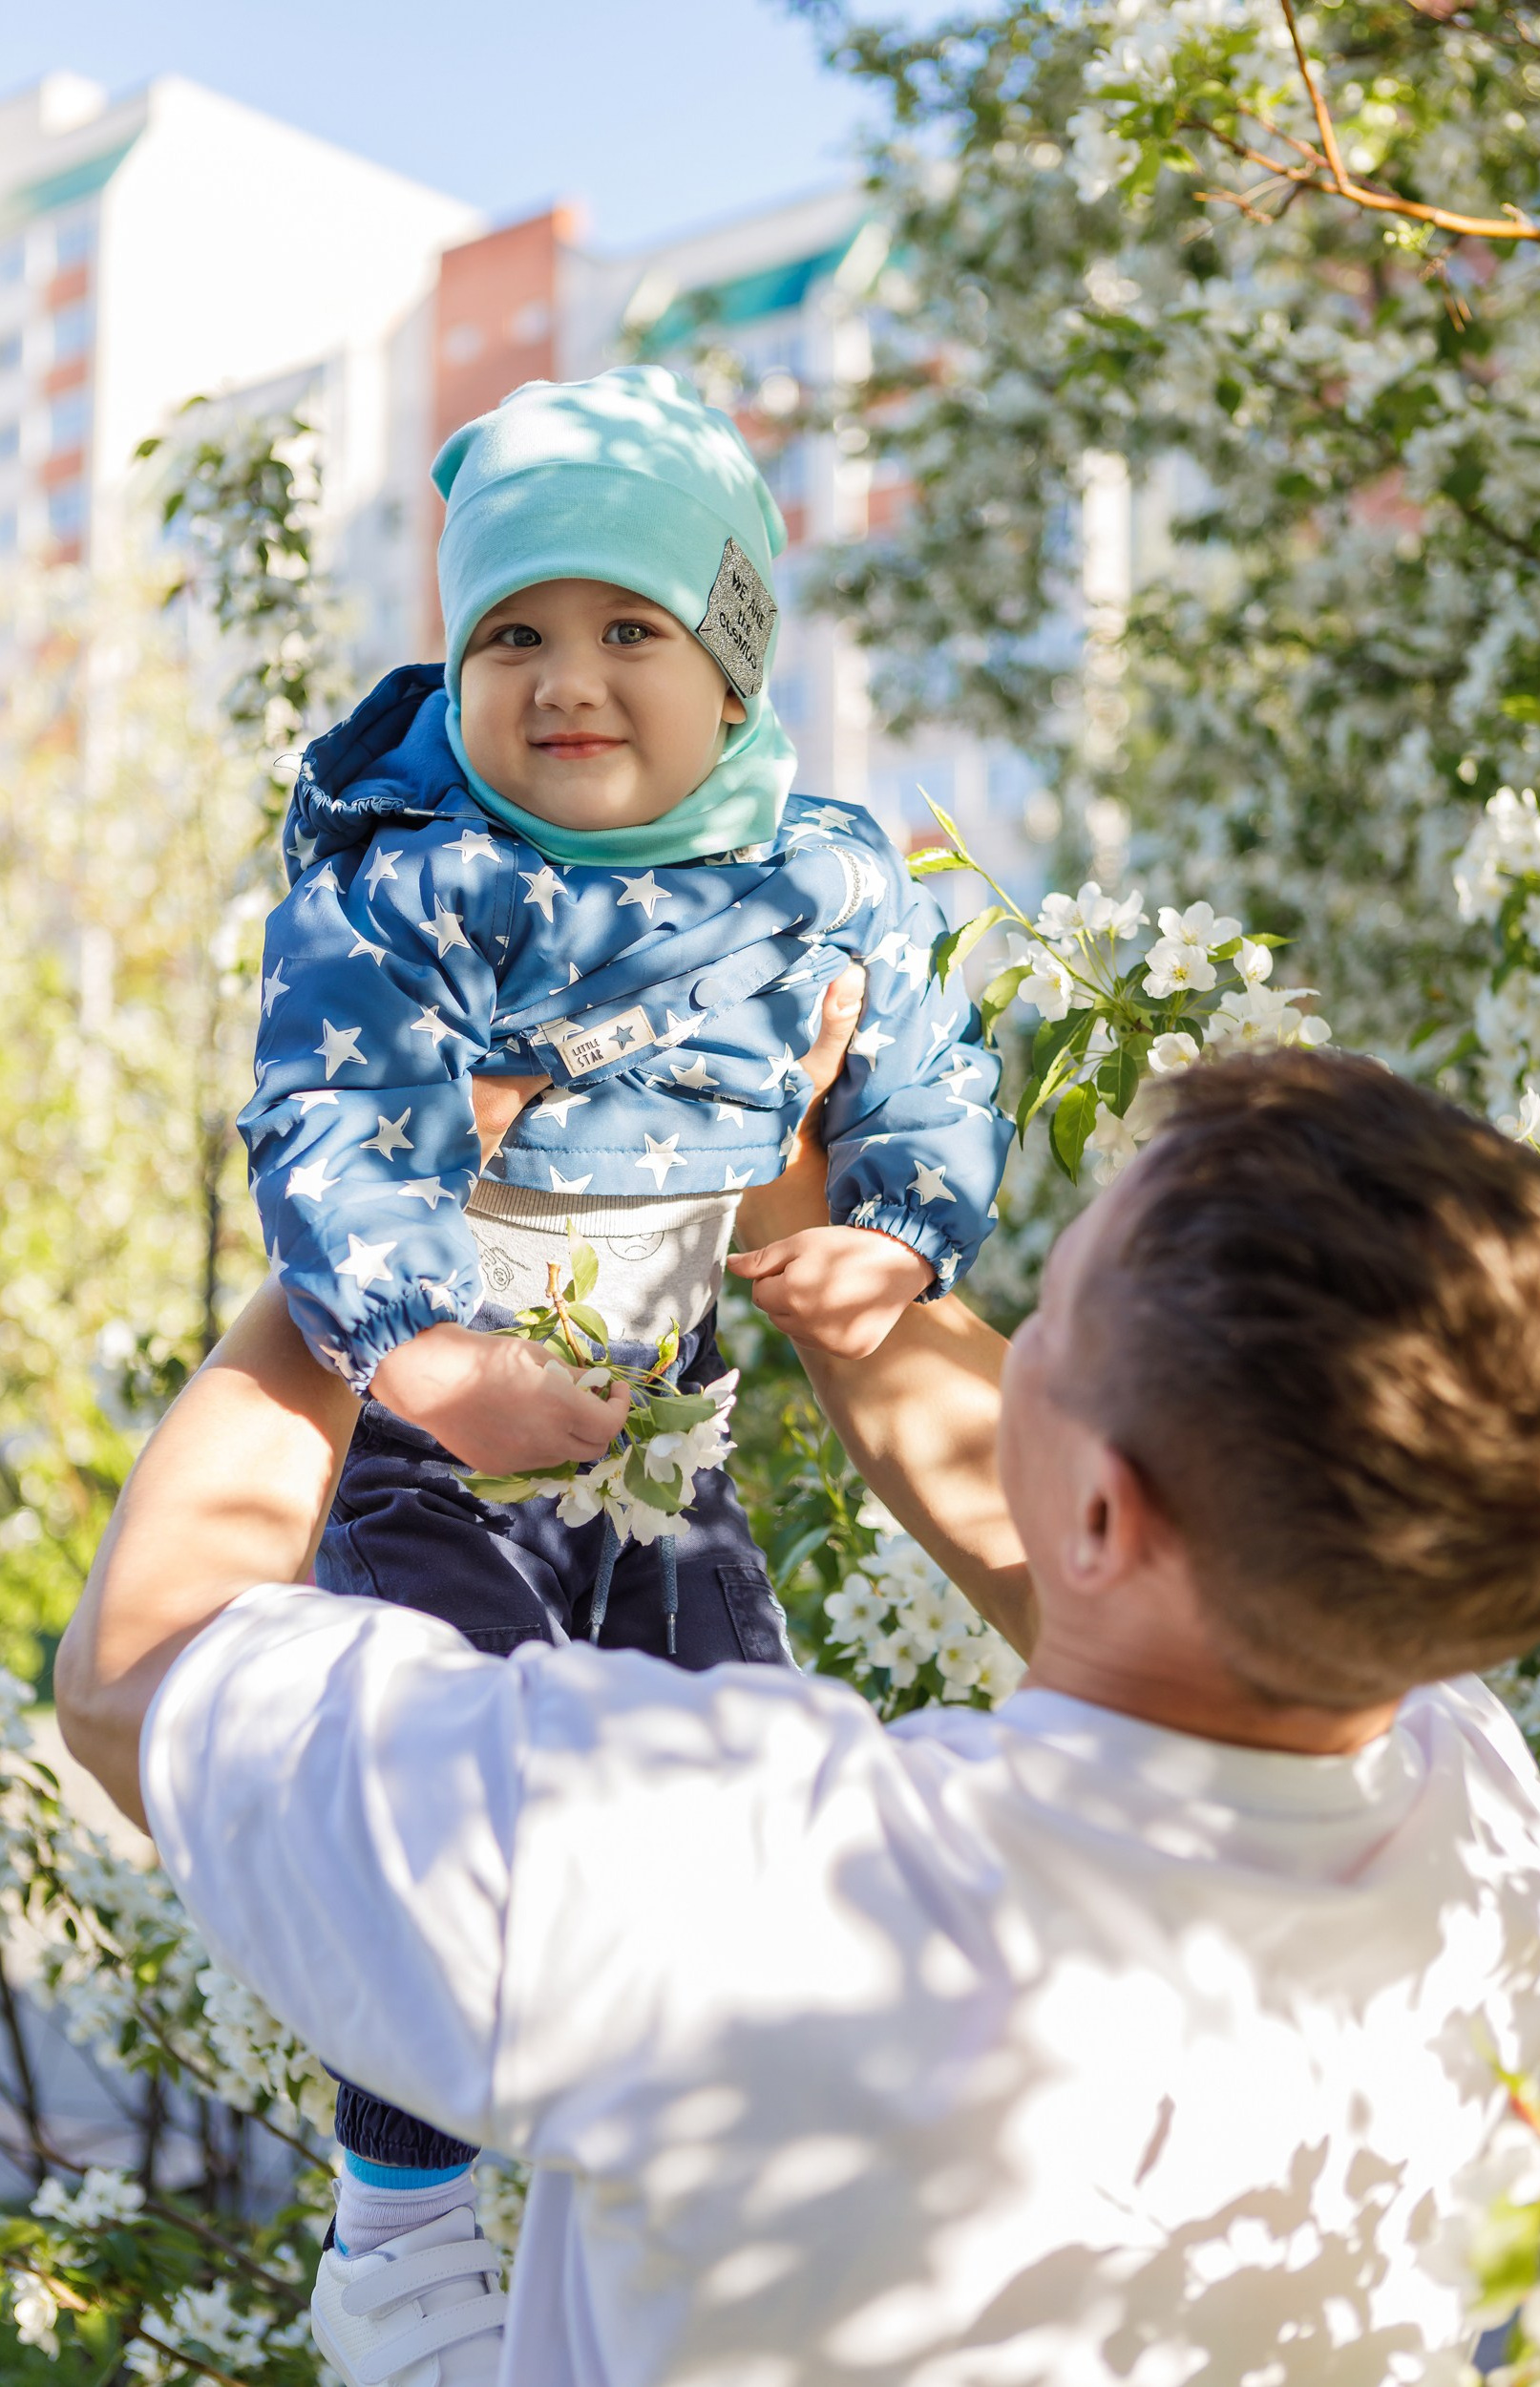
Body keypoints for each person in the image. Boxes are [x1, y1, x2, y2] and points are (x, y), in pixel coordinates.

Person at [58, 1046, 1540, 2386]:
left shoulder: (753, 1881)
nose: (998, 1345)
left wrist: (367, 1227)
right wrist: (770, 1151)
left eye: (1045, 1313)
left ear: (1109, 1510)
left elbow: (140, 1672)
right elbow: (1067, 1519)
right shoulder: (1480, 1835)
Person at [236, 362, 1012, 2268]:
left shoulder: (817, 877)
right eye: (511, 632)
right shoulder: (417, 887)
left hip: (660, 1429)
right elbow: (323, 1120)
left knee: (738, 1759)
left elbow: (919, 1067)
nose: (564, 674)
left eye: (626, 626)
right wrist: (417, 1348)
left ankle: (687, 2175)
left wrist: (895, 1233)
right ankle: (402, 2214)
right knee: (454, 1790)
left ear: (732, 667)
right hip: (432, 1437)